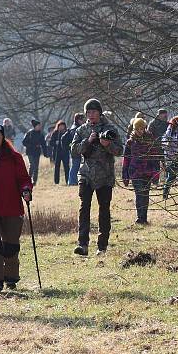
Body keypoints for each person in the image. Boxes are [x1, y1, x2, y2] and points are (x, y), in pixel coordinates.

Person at [0, 123, 33, 292]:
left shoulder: (15, 157)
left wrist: (26, 189)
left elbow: (24, 178)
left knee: (11, 246)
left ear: (3, 137)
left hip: (12, 208)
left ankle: (10, 278)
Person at [70, 99, 123, 256]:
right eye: (88, 112)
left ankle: (102, 246)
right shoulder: (81, 130)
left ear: (100, 113)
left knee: (104, 210)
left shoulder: (110, 129)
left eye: (94, 112)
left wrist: (108, 145)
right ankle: (83, 244)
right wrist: (88, 141)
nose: (91, 114)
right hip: (86, 175)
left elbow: (120, 150)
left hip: (105, 176)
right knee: (84, 208)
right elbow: (73, 150)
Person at [122, 118, 160, 224]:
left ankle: (144, 217)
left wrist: (156, 174)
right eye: (138, 129)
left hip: (147, 172)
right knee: (139, 194)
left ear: (144, 128)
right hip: (135, 172)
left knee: (145, 194)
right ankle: (140, 217)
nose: (140, 131)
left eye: (142, 129)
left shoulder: (150, 141)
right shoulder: (130, 142)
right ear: (134, 129)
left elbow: (155, 158)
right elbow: (126, 159)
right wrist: (125, 175)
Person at [21, 119, 48, 185]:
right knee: (32, 165)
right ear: (35, 126)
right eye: (38, 125)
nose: (39, 127)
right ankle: (28, 179)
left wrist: (45, 153)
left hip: (37, 152)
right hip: (30, 152)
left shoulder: (41, 134)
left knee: (36, 167)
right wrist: (32, 146)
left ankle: (34, 181)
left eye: (40, 125)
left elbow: (44, 144)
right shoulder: (29, 133)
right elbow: (24, 142)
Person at [64, 113, 85, 185]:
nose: (83, 121)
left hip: (76, 150)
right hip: (75, 150)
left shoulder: (74, 127)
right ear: (78, 120)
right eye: (82, 119)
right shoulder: (75, 129)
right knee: (75, 166)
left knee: (76, 166)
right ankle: (72, 182)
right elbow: (74, 141)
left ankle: (74, 181)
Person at [50, 120, 70, 184]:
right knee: (56, 167)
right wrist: (55, 143)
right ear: (58, 126)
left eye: (63, 126)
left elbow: (70, 141)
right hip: (57, 153)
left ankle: (68, 181)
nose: (61, 127)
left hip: (65, 153)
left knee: (67, 167)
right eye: (60, 126)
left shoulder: (67, 133)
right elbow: (51, 143)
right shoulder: (55, 133)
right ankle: (56, 182)